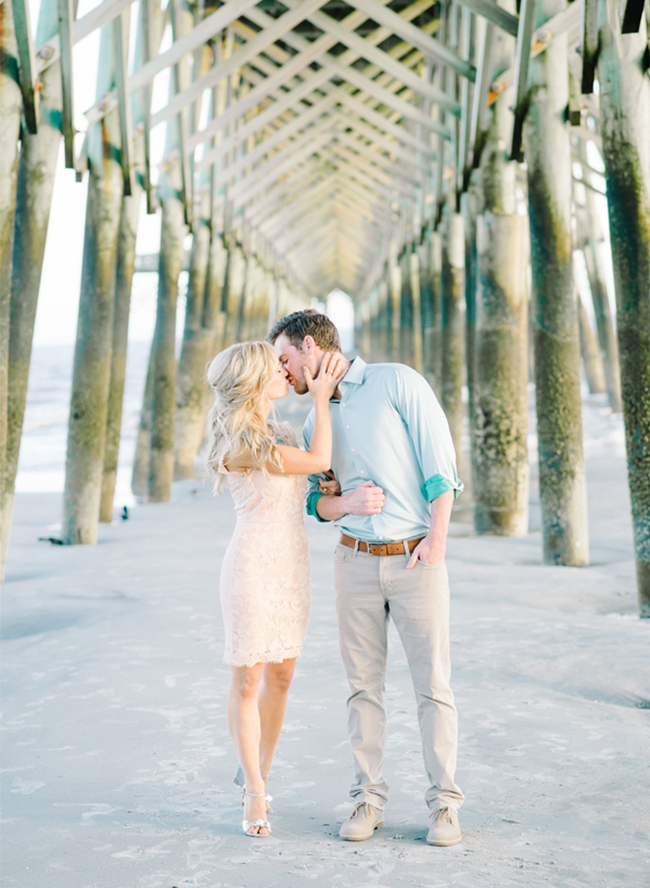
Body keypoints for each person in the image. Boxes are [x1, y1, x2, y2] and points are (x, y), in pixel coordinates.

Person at [269, 309, 465, 847]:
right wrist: (346, 502)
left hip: (414, 558)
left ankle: (445, 806)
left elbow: (440, 466)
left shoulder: (397, 381)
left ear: (310, 346)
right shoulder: (315, 420)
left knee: (433, 686)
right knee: (362, 689)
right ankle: (367, 798)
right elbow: (317, 503)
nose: (282, 372)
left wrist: (438, 541)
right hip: (352, 562)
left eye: (286, 360)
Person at [206, 340, 345, 837]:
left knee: (282, 677)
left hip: (291, 567)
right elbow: (318, 455)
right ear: (253, 381)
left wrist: (324, 488)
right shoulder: (240, 444)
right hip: (250, 569)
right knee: (247, 680)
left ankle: (257, 771)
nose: (287, 373)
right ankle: (255, 792)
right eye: (276, 368)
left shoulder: (279, 432)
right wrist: (322, 399)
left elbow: (311, 472)